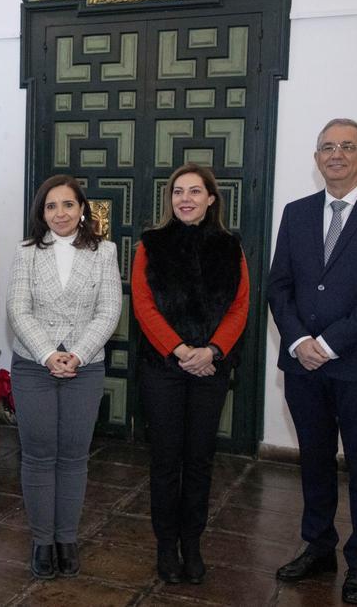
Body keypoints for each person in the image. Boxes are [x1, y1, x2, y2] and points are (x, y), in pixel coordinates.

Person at [268, 119, 357, 605]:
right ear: (316, 159)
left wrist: (329, 343)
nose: (336, 155)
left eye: (347, 147)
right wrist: (298, 341)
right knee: (312, 461)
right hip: (302, 365)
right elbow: (280, 286)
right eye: (327, 147)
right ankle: (318, 546)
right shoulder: (296, 212)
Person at [131, 163, 249, 586]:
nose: (186, 198)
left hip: (210, 369)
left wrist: (212, 350)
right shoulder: (150, 246)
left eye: (195, 192)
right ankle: (166, 546)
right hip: (162, 368)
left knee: (199, 460)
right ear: (171, 199)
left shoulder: (230, 247)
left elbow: (239, 307)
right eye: (178, 191)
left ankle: (192, 544)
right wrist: (179, 349)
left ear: (211, 199)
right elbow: (143, 305)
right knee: (166, 460)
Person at [5, 174, 121, 580]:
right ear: (42, 212)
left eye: (68, 204)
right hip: (34, 366)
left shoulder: (104, 252)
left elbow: (109, 311)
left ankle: (67, 539)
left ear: (82, 208)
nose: (60, 213)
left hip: (84, 366)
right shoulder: (26, 253)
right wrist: (49, 354)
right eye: (51, 206)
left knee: (73, 456)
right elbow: (18, 311)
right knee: (38, 456)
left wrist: (77, 355)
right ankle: (41, 540)